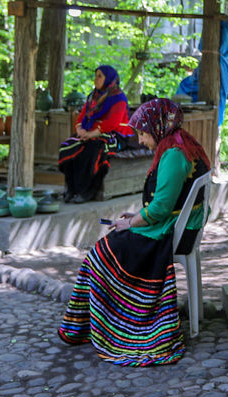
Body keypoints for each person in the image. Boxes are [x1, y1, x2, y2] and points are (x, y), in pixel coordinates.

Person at [58, 98, 212, 366]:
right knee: (109, 246)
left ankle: (117, 325)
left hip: (175, 230)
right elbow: (162, 205)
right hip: (178, 224)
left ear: (158, 127)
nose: (140, 140)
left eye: (142, 133)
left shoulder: (174, 155)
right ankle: (98, 321)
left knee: (99, 255)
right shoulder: (179, 144)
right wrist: (136, 217)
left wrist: (132, 223)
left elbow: (161, 209)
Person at [57, 65, 132, 203]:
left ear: (109, 79)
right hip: (90, 132)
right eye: (95, 75)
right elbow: (81, 117)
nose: (96, 79)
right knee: (67, 146)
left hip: (115, 135)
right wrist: (80, 131)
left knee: (93, 149)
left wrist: (91, 135)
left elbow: (112, 123)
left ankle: (86, 192)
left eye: (100, 76)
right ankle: (71, 189)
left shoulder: (118, 98)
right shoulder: (93, 97)